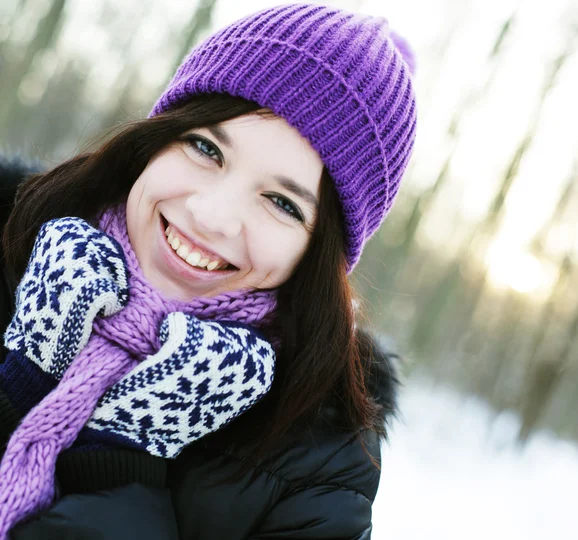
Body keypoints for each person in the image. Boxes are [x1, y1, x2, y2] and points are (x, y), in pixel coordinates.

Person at [0, 2, 416, 538]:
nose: (211, 215)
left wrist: (121, 468)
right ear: (157, 137)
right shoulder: (11, 231)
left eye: (281, 203)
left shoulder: (322, 465)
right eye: (206, 148)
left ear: (318, 254)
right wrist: (21, 383)